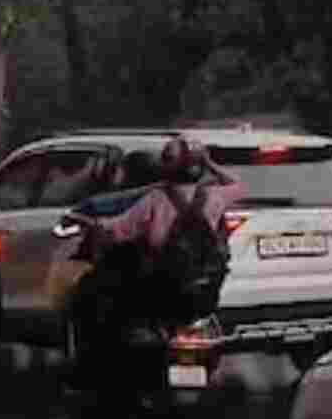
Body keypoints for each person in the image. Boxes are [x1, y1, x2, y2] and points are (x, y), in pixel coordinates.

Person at [67, 140, 244, 384]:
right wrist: (210, 163)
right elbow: (238, 185)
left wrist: (92, 226)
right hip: (203, 295)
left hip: (160, 292)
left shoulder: (154, 200)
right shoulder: (214, 197)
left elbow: (118, 231)